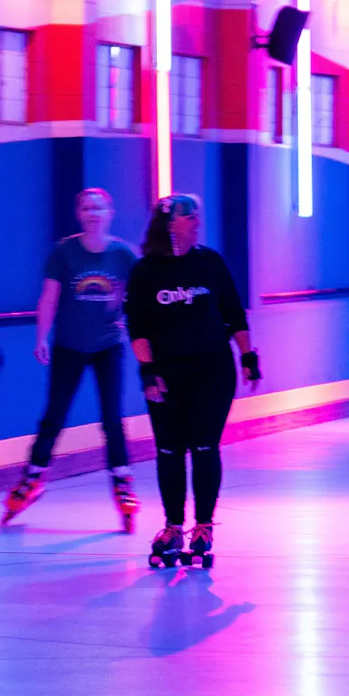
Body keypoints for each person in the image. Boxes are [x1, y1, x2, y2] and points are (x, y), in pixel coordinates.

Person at [125, 194, 260, 570]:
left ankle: (202, 526)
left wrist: (248, 356)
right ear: (170, 223)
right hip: (165, 373)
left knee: (203, 447)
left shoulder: (210, 263)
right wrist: (148, 371)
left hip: (213, 371)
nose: (197, 223)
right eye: (190, 218)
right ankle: (172, 527)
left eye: (198, 217)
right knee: (169, 450)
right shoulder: (145, 271)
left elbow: (234, 313)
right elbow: (137, 328)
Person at [2, 188, 140, 531]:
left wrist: (128, 317)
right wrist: (41, 338)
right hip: (69, 345)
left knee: (112, 418)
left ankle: (122, 483)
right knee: (54, 416)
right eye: (86, 206)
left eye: (99, 206)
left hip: (108, 346)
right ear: (79, 213)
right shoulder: (64, 252)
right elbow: (48, 298)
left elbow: (134, 294)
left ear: (110, 212)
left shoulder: (123, 254)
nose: (93, 211)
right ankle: (33, 478)